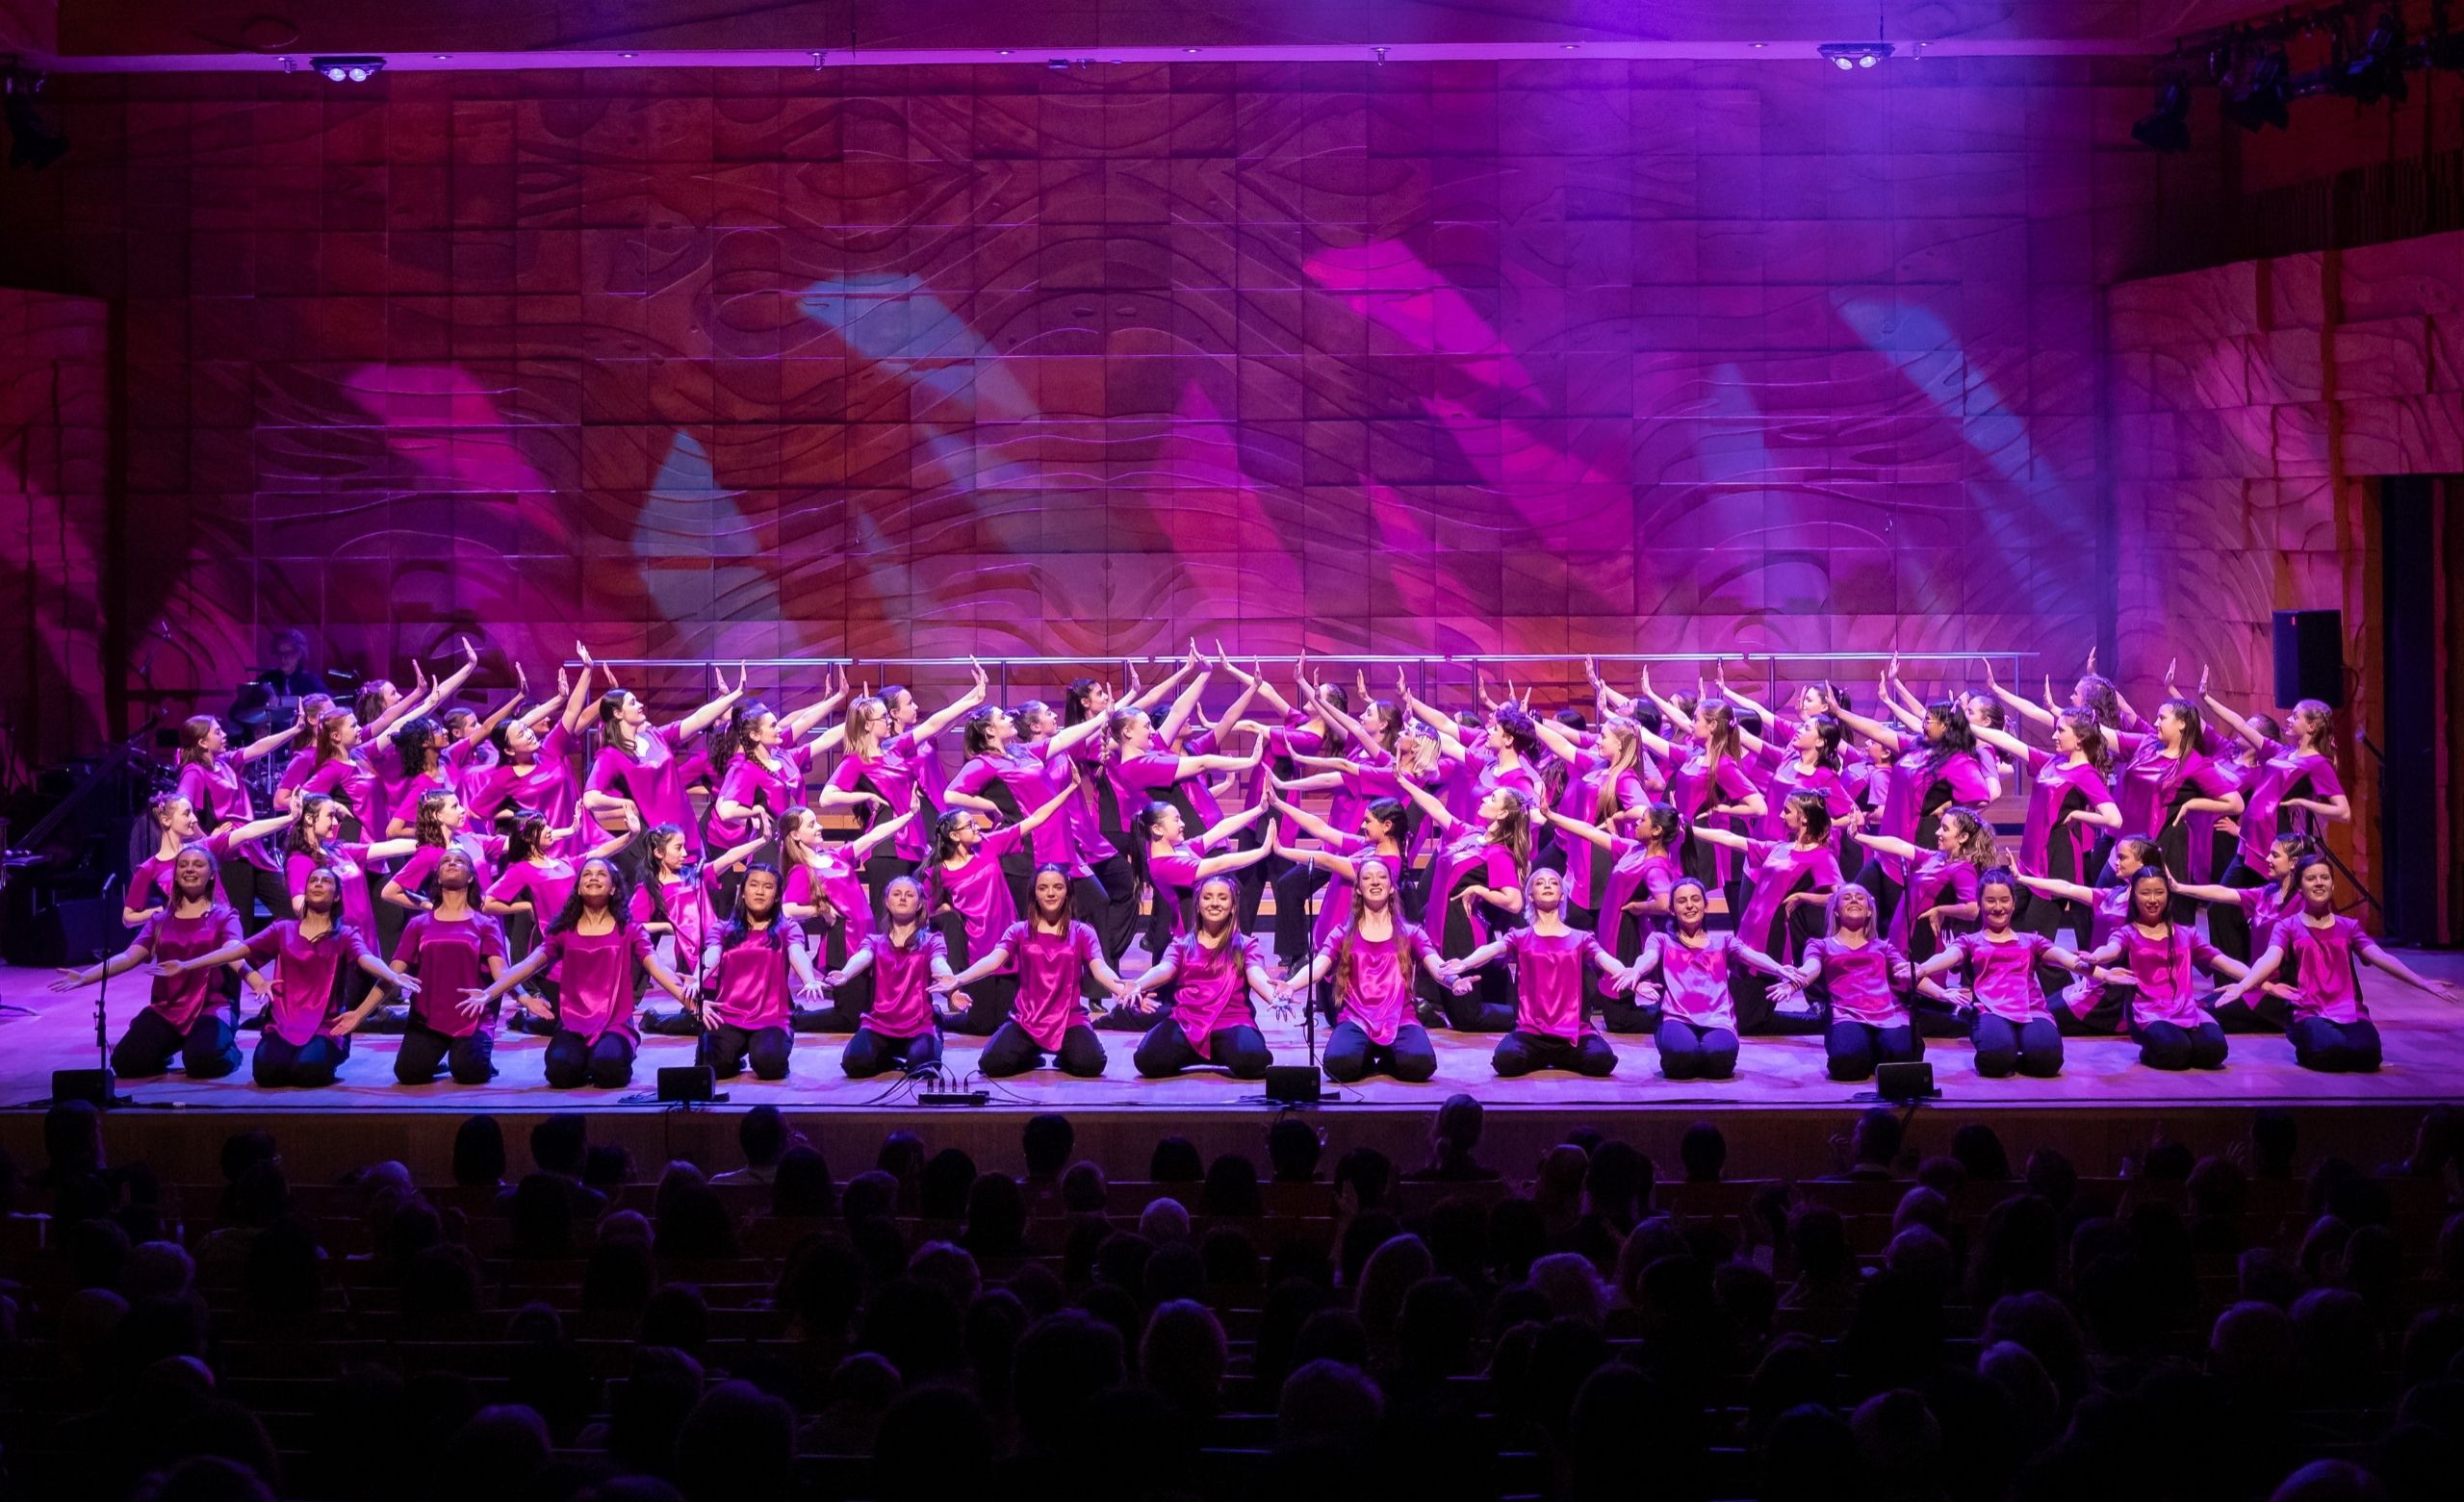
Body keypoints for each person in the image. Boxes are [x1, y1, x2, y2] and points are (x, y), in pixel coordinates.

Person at [156, 867, 412, 1087]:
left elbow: (367, 959)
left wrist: (391, 975)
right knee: (268, 1074)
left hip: (326, 1025)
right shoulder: (283, 929)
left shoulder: (345, 934)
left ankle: (321, 1055)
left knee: (308, 1072)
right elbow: (236, 951)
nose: (318, 884)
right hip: (283, 1022)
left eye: (325, 881)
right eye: (313, 880)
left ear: (336, 896)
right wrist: (187, 965)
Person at [464, 856, 696, 1089]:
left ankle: (607, 1055)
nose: (593, 877)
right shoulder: (564, 930)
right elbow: (529, 965)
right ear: (577, 887)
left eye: (601, 874)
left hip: (614, 1023)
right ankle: (586, 1059)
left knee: (609, 1070)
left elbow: (657, 966)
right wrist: (488, 994)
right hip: (574, 1023)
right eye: (587, 874)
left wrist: (692, 1004)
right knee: (560, 1072)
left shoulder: (630, 929)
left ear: (614, 888)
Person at [2215, 855, 2463, 1072]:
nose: (2319, 883)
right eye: (2311, 879)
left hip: (2348, 1010)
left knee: (2368, 1055)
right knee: (2330, 1052)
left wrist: (2423, 983)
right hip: (2308, 1009)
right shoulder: (2288, 926)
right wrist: (2244, 985)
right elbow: (2270, 958)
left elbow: (2381, 957)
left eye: (2324, 878)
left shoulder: (2348, 927)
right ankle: (2307, 1042)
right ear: (2300, 887)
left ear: (2333, 884)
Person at [52, 847, 246, 1080]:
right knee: (126, 1063)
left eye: (198, 864)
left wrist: (250, 977)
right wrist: (86, 976)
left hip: (212, 1008)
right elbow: (129, 956)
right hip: (168, 1009)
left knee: (203, 1062)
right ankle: (168, 1049)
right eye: (183, 865)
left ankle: (229, 1050)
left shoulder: (225, 916)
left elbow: (234, 950)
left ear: (212, 874)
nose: (189, 870)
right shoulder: (160, 920)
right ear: (175, 874)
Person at [1274, 856, 1464, 1084]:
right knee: (1338, 1066)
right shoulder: (1342, 933)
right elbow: (1319, 966)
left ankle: (1386, 1055)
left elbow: (1436, 965)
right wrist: (1291, 985)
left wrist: (1453, 981)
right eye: (1367, 878)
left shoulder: (1411, 932)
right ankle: (1368, 1054)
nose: (1375, 882)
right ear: (1358, 889)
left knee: (1420, 1065)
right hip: (1356, 1019)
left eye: (1382, 877)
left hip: (1400, 1019)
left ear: (1392, 888)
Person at [936, 864, 1135, 1079]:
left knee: (1091, 1064)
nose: (1051, 893)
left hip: (1069, 1019)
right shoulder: (1019, 930)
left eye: (1057, 887)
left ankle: (1062, 1055)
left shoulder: (1082, 932)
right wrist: (958, 979)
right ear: (1034, 893)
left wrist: (1120, 987)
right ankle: (1032, 1054)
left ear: (1067, 890)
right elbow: (994, 960)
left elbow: (1100, 968)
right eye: (1043, 888)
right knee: (992, 1064)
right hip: (1026, 1019)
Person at [1444, 867, 1634, 1079]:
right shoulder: (1520, 936)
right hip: (1531, 1032)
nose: (1546, 885)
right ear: (1530, 896)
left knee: (1602, 1061)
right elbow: (1491, 950)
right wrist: (1464, 963)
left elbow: (1605, 960)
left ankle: (1554, 1057)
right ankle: (1548, 1056)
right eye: (1539, 882)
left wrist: (1631, 974)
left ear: (1562, 896)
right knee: (1506, 1060)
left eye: (1553, 882)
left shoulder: (1581, 938)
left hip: (1574, 1033)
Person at [922, 788, 1077, 1035]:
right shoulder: (938, 872)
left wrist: (1068, 790)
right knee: (982, 1025)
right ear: (953, 835)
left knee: (1007, 1021)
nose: (977, 828)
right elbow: (921, 906)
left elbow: (1035, 819)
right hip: (977, 950)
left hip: (1008, 944)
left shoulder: (988, 845)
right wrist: (946, 908)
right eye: (970, 825)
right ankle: (937, 1018)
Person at [1912, 870, 2091, 1079]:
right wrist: (1922, 969)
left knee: (2048, 1059)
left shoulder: (2030, 940)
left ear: (2013, 904)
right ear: (1980, 904)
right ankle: (2003, 1045)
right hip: (1990, 1009)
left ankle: (2020, 1050)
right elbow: (1947, 957)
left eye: (2004, 900)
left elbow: (2065, 958)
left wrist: (2101, 973)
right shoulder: (1970, 941)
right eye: (1990, 901)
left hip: (2030, 1009)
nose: (1998, 907)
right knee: (1995, 1059)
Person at [2078, 867, 2260, 1072]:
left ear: (2168, 894)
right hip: (2148, 1012)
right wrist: (2095, 957)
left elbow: (2224, 962)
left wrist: (2258, 980)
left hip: (2187, 1009)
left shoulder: (2186, 933)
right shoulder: (2127, 933)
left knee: (2215, 1050)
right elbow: (2111, 949)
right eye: (2145, 893)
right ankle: (2152, 1050)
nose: (2153, 899)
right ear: (2134, 897)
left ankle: (2182, 1043)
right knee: (2174, 1052)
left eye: (2159, 892)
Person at [1623, 877, 1796, 1082]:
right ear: (1672, 909)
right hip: (1677, 1017)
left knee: (1719, 1059)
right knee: (1680, 1057)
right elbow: (1649, 957)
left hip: (1717, 1019)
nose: (1689, 905)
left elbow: (1750, 955)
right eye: (1682, 901)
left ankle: (1706, 1053)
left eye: (1695, 899)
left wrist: (1779, 969)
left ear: (1705, 906)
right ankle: (1682, 1050)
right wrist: (1636, 971)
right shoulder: (1661, 939)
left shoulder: (1723, 941)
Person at [391, 849, 535, 1085]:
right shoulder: (418, 924)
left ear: (470, 876)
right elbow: (391, 974)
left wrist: (526, 1000)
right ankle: (438, 1055)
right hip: (428, 1017)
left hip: (472, 1017)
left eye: (460, 860)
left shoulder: (485, 924)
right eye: (446, 861)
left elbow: (502, 974)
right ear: (437, 876)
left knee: (470, 1072)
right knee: (408, 1073)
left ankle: (476, 1056)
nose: (452, 863)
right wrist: (360, 1014)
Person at [582, 661, 748, 860]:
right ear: (618, 713)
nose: (640, 705)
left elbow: (696, 720)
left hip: (687, 829)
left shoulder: (655, 735)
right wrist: (628, 803)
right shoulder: (611, 755)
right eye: (632, 703)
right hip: (659, 839)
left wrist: (735, 695)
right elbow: (590, 798)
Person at [1117, 874, 1275, 1080]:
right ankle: (1204, 1053)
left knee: (1253, 1060)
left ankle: (1215, 1051)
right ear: (1198, 905)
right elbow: (1165, 968)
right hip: (1187, 1022)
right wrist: (1139, 984)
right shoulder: (1182, 944)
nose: (1215, 903)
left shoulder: (1246, 944)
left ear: (1233, 906)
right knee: (1146, 1059)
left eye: (1222, 898)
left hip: (1232, 1021)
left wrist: (1275, 996)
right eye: (1208, 897)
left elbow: (1257, 975)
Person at [826, 875, 967, 1079]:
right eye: (897, 894)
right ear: (887, 901)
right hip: (879, 1024)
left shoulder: (931, 940)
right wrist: (845, 974)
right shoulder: (874, 941)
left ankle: (916, 1053)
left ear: (919, 904)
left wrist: (951, 986)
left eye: (909, 895)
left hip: (919, 1025)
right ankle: (893, 1059)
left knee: (923, 1066)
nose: (902, 898)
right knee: (854, 1063)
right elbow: (863, 956)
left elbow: (939, 963)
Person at [1778, 883, 1920, 1083]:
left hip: (1887, 1015)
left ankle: (1873, 1048)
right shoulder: (1820, 945)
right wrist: (1794, 983)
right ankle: (1865, 1049)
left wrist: (1942, 993)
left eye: (1860, 897)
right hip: (1846, 1015)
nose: (1853, 899)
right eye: (1846, 897)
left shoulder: (1884, 946)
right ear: (1835, 911)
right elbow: (1812, 967)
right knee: (1847, 1064)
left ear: (1870, 911)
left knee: (1904, 1059)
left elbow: (1908, 972)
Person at [699, 864, 830, 1081]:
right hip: (729, 1015)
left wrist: (810, 979)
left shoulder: (787, 927)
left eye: (768, 887)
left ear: (777, 896)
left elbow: (797, 952)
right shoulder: (722, 928)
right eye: (754, 885)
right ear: (743, 892)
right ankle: (734, 1057)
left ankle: (765, 1048)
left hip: (772, 1017)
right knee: (712, 1066)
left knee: (769, 1065)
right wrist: (697, 980)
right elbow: (711, 956)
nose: (760, 892)